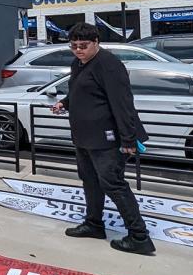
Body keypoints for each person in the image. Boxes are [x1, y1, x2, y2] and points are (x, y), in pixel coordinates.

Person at [50, 23, 154, 256]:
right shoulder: (79, 64)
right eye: (74, 46)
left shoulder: (109, 65)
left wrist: (127, 139)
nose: (78, 50)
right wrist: (64, 103)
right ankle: (94, 224)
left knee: (113, 184)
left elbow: (123, 103)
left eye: (83, 46)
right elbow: (79, 90)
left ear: (96, 42)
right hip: (85, 138)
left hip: (108, 139)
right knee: (89, 180)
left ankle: (139, 236)